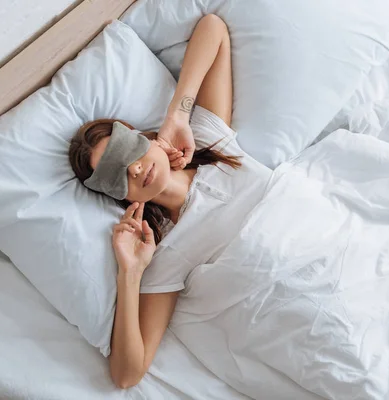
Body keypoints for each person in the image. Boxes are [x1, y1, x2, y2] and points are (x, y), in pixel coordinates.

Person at [69, 14, 271, 389]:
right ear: (119, 196)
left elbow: (213, 28)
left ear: (142, 138)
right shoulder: (168, 254)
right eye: (116, 174)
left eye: (126, 150)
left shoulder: (210, 138)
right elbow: (127, 374)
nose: (133, 169)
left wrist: (177, 116)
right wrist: (130, 274)